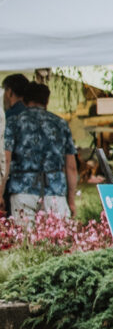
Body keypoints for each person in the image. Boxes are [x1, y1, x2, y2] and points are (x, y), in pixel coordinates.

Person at [4, 76, 78, 221]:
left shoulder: (14, 122)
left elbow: (5, 160)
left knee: (25, 235)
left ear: (25, 100)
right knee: (56, 235)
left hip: (22, 190)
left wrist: (0, 193)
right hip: (55, 190)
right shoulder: (61, 124)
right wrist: (71, 200)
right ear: (47, 101)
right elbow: (71, 167)